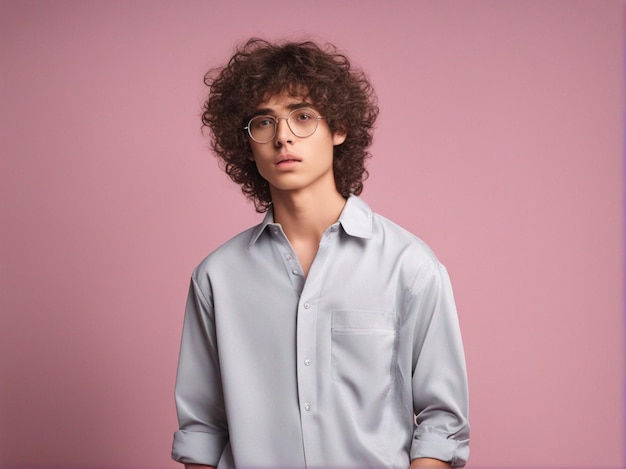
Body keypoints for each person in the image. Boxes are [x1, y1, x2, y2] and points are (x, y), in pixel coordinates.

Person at [172, 38, 470, 469]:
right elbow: (201, 430)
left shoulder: (410, 267)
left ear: (339, 128)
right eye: (263, 122)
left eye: (303, 116)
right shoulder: (217, 278)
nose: (283, 137)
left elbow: (443, 424)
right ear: (247, 144)